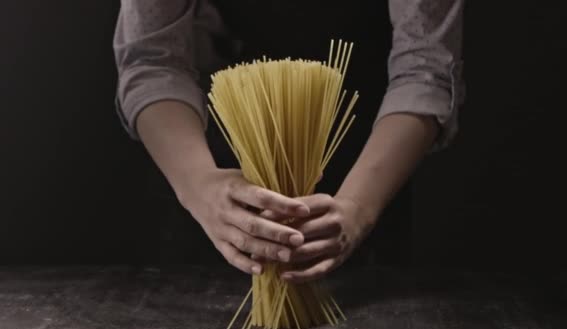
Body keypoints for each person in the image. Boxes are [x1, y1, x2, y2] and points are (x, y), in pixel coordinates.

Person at [113, 0, 464, 282]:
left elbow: (424, 69)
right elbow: (152, 60)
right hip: (210, 176)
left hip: (366, 168)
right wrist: (200, 184)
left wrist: (358, 207)